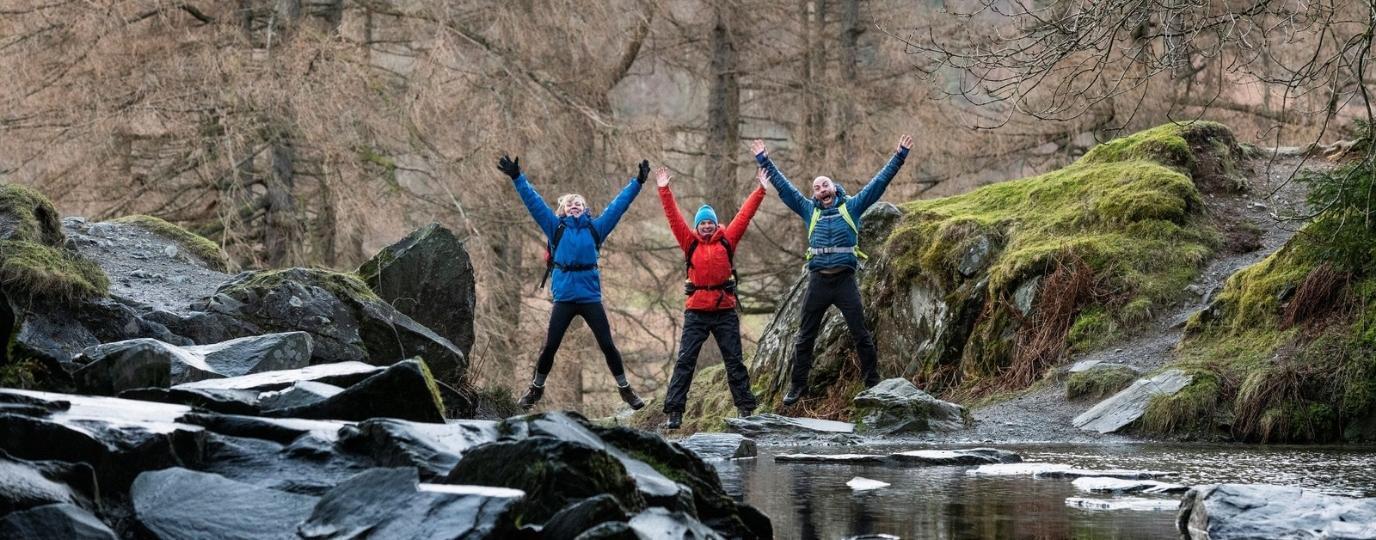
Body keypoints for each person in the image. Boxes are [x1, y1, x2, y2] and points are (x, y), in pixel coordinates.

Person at [750, 134, 913, 405]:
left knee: (860, 333)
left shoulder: (852, 207)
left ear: (834, 189)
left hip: (845, 282)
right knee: (804, 337)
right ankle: (798, 386)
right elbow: (784, 188)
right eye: (816, 188)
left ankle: (872, 382)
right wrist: (764, 160)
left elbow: (879, 184)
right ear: (815, 195)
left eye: (825, 185)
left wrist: (899, 156)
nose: (821, 189)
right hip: (818, 283)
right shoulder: (808, 211)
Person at [498, 154, 649, 410]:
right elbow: (533, 203)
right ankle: (536, 388)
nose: (575, 205)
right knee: (550, 346)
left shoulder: (596, 228)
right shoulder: (555, 227)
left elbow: (618, 206)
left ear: (586, 209)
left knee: (607, 345)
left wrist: (638, 182)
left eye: (579, 203)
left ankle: (626, 390)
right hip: (565, 297)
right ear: (563, 210)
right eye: (570, 204)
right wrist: (517, 177)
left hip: (590, 296)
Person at [655, 166, 768, 429]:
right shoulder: (689, 241)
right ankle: (674, 411)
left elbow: (744, 215)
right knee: (685, 360)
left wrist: (760, 190)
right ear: (697, 226)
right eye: (702, 223)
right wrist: (663, 189)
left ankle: (745, 408)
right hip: (695, 311)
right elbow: (673, 217)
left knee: (734, 360)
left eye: (709, 222)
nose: (706, 226)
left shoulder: (727, 240)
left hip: (724, 309)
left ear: (715, 224)